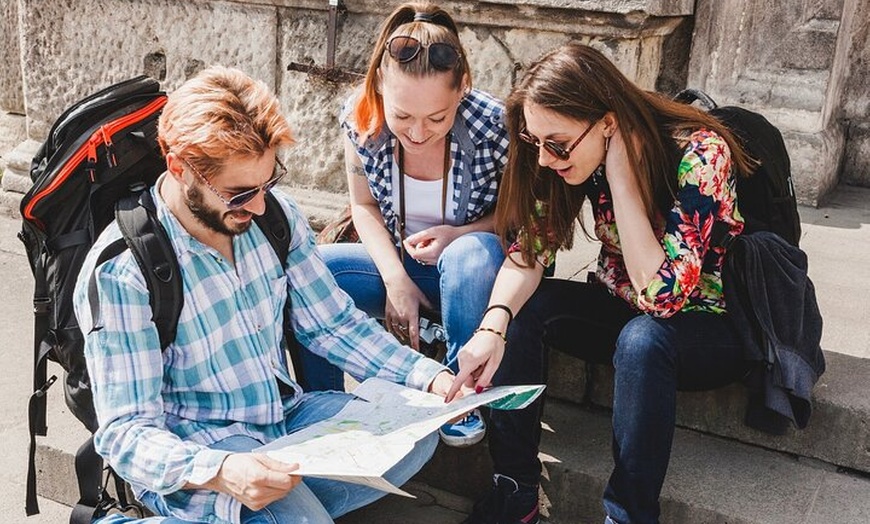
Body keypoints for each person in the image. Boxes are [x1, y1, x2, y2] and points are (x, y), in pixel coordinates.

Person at [72, 66, 456, 524]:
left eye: (267, 182)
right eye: (239, 194)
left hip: (283, 417)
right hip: (201, 453)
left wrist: (427, 376)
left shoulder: (275, 216)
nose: (257, 205)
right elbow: (127, 433)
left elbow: (331, 323)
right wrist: (222, 470)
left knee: (418, 433)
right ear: (180, 168)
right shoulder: (123, 271)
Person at [447, 43, 756, 524]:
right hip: (624, 307)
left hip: (708, 327)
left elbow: (663, 295)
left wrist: (621, 177)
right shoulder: (562, 155)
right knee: (525, 311)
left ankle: (627, 516)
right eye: (536, 142)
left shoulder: (700, 153)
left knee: (643, 339)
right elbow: (529, 253)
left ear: (608, 124)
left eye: (558, 144)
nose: (546, 159)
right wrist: (492, 327)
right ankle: (515, 487)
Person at [317, 2, 510, 447]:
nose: (418, 133)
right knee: (314, 271)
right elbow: (362, 206)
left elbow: (523, 215)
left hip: (477, 275)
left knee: (467, 256)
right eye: (402, 116)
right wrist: (395, 280)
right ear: (381, 85)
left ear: (462, 88)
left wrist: (460, 234)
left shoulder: (495, 125)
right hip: (404, 264)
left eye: (436, 118)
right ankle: (321, 405)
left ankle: (461, 396)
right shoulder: (360, 117)